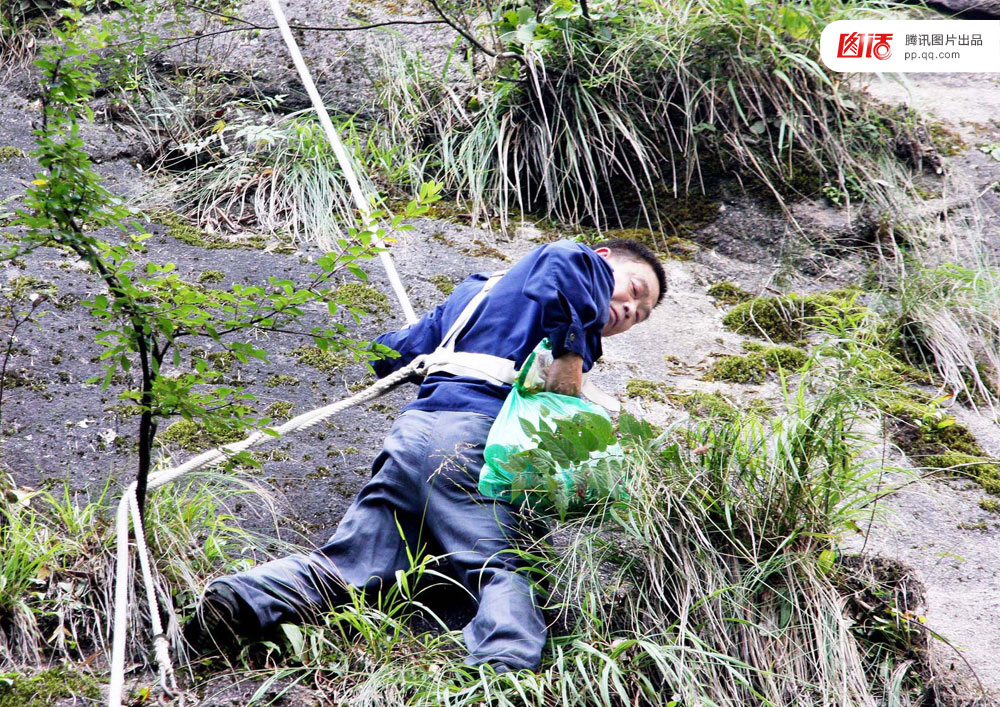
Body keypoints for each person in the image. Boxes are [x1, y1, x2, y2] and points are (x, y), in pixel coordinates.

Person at [190, 237, 666, 673]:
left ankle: (241, 599)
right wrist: (571, 353)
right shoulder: (577, 264)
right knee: (509, 563)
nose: (629, 310)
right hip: (476, 439)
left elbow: (390, 354)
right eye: (634, 290)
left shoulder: (476, 292)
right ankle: (501, 676)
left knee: (353, 562)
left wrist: (437, 346)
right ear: (603, 260)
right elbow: (564, 259)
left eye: (639, 315)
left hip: (415, 438)